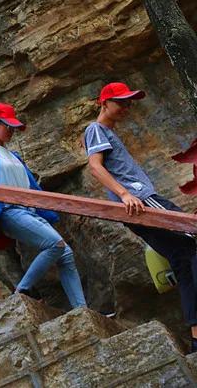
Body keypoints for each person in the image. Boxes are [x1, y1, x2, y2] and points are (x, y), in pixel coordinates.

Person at [85, 82, 197, 350]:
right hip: (141, 200)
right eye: (121, 102)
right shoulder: (95, 129)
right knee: (192, 236)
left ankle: (195, 339)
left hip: (139, 201)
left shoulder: (110, 133)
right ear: (105, 103)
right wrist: (124, 194)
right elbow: (95, 167)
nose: (127, 107)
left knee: (183, 260)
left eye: (129, 103)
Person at [0, 103, 86, 308]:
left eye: (13, 128)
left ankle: (82, 309)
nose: (11, 131)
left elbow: (31, 187)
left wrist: (48, 208)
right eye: (7, 126)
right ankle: (22, 290)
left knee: (66, 254)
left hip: (28, 210)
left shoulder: (14, 156)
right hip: (7, 210)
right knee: (55, 244)